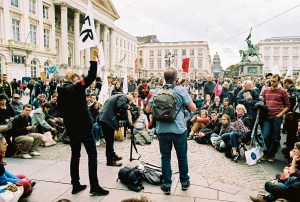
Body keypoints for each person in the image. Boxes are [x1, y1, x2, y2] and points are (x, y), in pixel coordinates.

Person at [57, 47, 109, 196]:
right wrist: (93, 57)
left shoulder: (61, 92)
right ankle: (94, 186)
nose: (81, 80)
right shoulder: (77, 88)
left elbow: (61, 111)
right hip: (84, 127)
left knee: (75, 155)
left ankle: (75, 184)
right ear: (75, 79)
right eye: (79, 78)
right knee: (92, 155)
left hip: (71, 128)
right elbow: (92, 75)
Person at [146, 67, 197, 195]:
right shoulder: (181, 90)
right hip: (179, 129)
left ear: (164, 78)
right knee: (182, 156)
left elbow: (147, 109)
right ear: (176, 78)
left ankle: (167, 184)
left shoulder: (157, 90)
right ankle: (184, 182)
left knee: (165, 158)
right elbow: (193, 108)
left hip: (162, 130)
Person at [97, 93, 133, 167]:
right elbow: (121, 105)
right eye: (129, 100)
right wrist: (128, 106)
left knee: (110, 140)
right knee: (109, 141)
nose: (129, 102)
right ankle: (110, 161)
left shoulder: (116, 96)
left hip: (103, 118)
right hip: (107, 119)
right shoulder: (123, 97)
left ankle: (113, 155)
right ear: (128, 97)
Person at [261, 74, 290, 162]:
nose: (272, 82)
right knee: (265, 136)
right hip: (267, 116)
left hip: (276, 117)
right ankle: (265, 153)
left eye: (274, 81)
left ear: (278, 81)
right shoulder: (266, 90)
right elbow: (263, 102)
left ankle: (272, 154)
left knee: (275, 137)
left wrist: (280, 114)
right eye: (271, 81)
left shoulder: (283, 91)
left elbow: (288, 105)